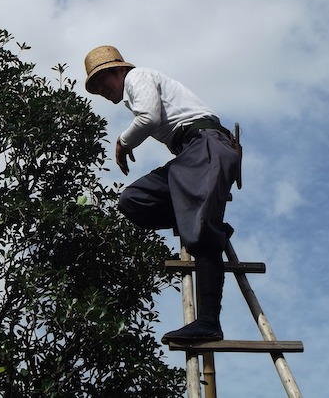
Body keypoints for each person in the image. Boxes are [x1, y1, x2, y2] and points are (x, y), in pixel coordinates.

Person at [84, 45, 241, 344]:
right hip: (190, 154)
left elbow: (149, 118)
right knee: (133, 200)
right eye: (95, 86)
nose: (101, 89)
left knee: (200, 233)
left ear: (119, 70)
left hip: (205, 145)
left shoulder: (137, 77)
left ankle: (208, 321)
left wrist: (123, 142)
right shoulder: (134, 88)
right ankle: (205, 225)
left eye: (102, 80)